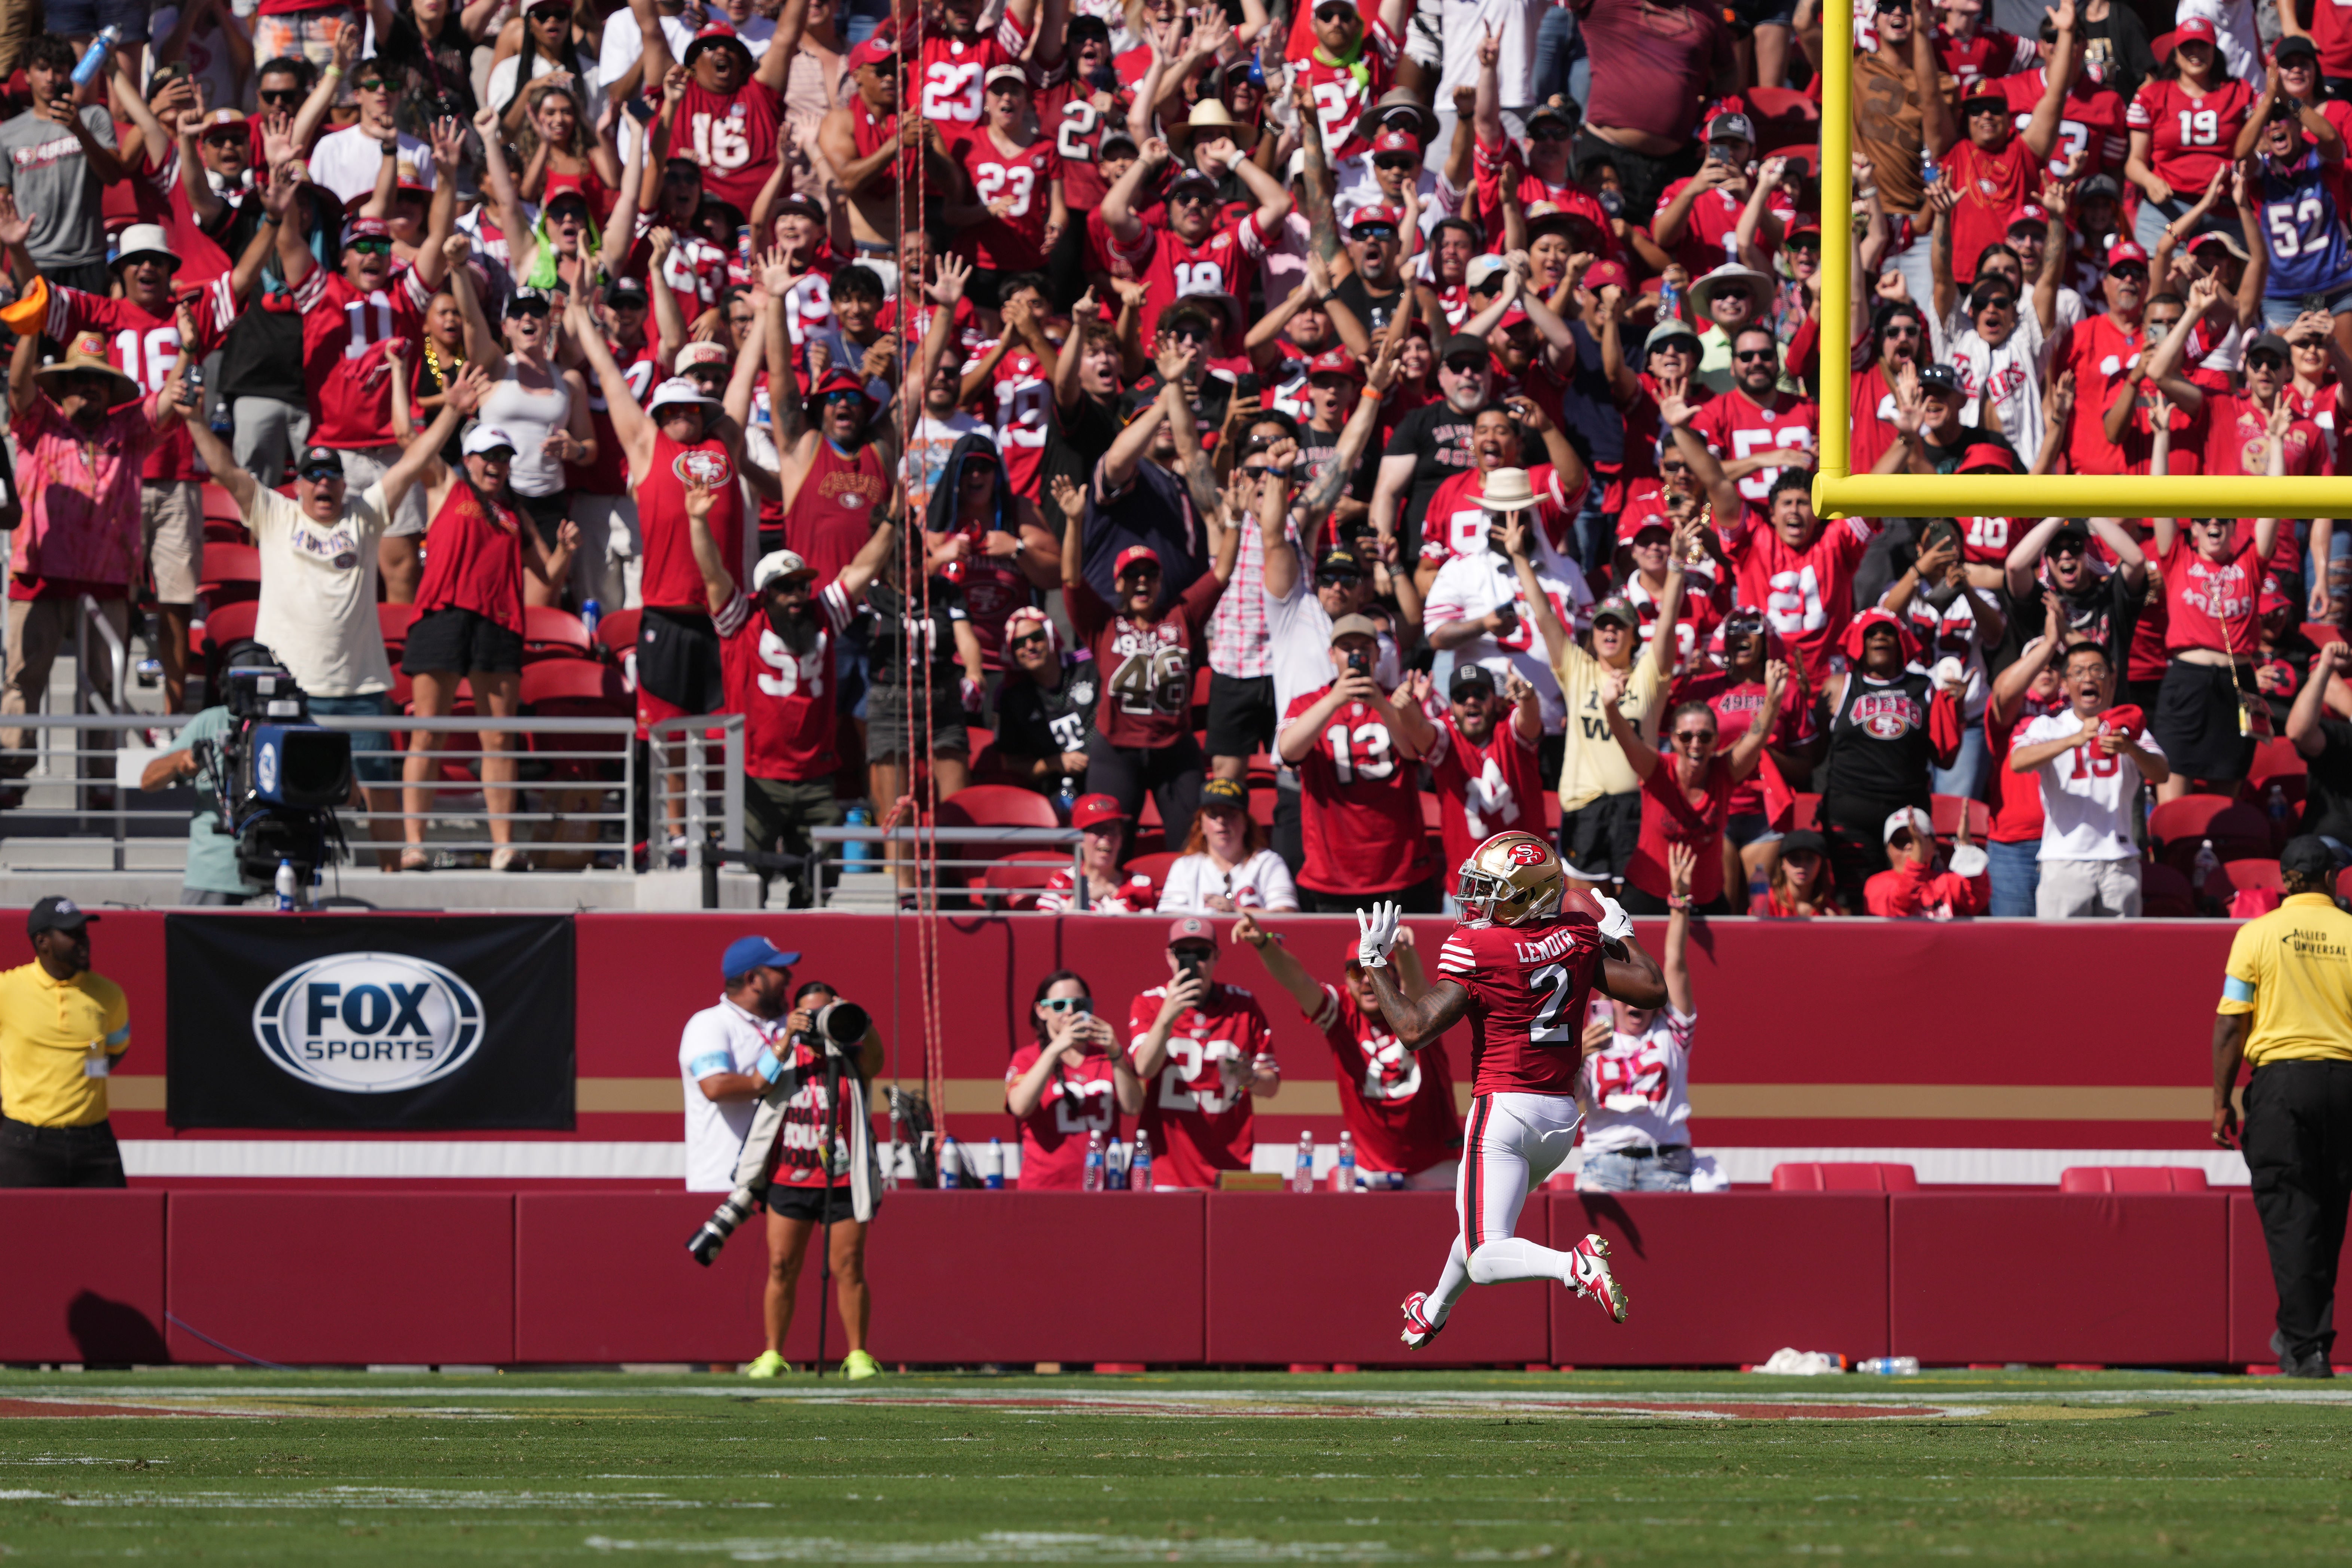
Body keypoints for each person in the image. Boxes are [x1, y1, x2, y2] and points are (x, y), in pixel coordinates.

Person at [1362, 831, 1662, 1346]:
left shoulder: (1478, 947)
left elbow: (1413, 1029)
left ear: (1526, 895)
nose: (1476, 900)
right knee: (1481, 1229)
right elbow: (1651, 988)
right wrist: (1624, 932)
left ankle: (1575, 1265)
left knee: (1485, 1254)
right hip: (1560, 1123)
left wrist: (1376, 963)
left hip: (1503, 1113)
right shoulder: (1576, 936)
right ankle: (1432, 1309)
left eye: (1491, 890)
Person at [393, 370, 579, 872]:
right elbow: (405, 437)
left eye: (503, 458)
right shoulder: (447, 485)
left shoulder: (514, 511)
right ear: (469, 458)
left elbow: (547, 575)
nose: (497, 465)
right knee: (428, 731)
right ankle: (414, 844)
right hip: (444, 616)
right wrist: (403, 377)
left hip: (498, 622)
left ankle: (504, 846)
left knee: (499, 736)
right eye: (488, 456)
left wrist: (564, 551)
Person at [678, 936, 884, 1381]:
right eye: (779, 971)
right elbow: (722, 1086)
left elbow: (874, 1062)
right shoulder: (719, 1027)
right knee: (773, 1269)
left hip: (833, 1173)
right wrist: (787, 1040)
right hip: (753, 1172)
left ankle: (855, 1353)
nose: (788, 979)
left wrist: (854, 1021)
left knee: (847, 1265)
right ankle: (765, 1354)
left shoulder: (825, 1048)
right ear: (753, 977)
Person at [683, 477, 893, 907]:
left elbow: (862, 569)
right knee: (749, 877)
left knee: (820, 875)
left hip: (815, 775)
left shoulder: (823, 615)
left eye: (802, 585)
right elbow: (713, 575)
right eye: (785, 587)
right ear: (765, 593)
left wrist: (892, 518)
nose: (797, 595)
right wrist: (697, 522)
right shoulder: (742, 620)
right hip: (759, 776)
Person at [3, 328, 189, 782]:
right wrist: (30, 329)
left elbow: (171, 401)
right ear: (62, 388)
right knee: (22, 685)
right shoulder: (37, 424)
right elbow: (17, 386)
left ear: (110, 390)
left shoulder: (128, 431)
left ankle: (102, 784)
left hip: (107, 581)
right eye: (80, 378)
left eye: (99, 380)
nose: (89, 386)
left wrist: (188, 349)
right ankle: (10, 776)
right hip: (39, 576)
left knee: (105, 687)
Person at [1055, 404, 1237, 846]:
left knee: (1193, 849)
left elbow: (1222, 573)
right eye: (1133, 576)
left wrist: (1234, 519)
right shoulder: (1102, 623)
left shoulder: (1182, 613)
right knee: (1104, 846)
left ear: (1160, 581)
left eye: (1150, 575)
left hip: (1175, 751)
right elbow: (1071, 579)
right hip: (1116, 749)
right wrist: (1075, 521)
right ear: (1118, 583)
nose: (1142, 582)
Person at [2214, 835, 2352, 1378]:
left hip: (2280, 1085)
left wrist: (2220, 1101)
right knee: (2330, 1214)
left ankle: (2306, 1343)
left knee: (2292, 1216)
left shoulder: (2256, 934)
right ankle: (2304, 1337)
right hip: (2346, 1081)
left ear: (2285, 879)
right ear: (2330, 878)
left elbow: (2230, 1021)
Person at [1235, 910, 1463, 1191]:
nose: (1367, 979)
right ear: (1347, 979)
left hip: (1436, 1162)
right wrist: (1264, 944)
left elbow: (1416, 986)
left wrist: (1404, 951)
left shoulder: (1413, 1007)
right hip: (1369, 1164)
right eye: (1358, 971)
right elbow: (1297, 981)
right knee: (1339, 1191)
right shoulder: (1342, 1012)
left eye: (1377, 969)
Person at [1599, 656, 1788, 915]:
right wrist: (1610, 707)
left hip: (1705, 900)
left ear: (1715, 741)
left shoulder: (1723, 772)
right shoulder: (1657, 769)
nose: (1695, 744)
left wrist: (1773, 700)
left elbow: (1755, 740)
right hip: (1648, 895)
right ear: (1674, 740)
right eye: (1686, 736)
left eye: (1705, 736)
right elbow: (1627, 739)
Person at [1279, 614, 1441, 912]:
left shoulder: (1399, 702)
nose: (1356, 655)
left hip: (1401, 868)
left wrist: (1382, 704)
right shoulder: (1306, 704)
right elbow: (1288, 752)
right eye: (1346, 648)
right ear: (1331, 654)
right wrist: (1334, 700)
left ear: (1378, 654)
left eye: (1364, 647)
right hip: (1333, 873)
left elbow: (1414, 752)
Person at [2008, 641, 2170, 917]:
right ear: (2065, 683)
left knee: (2120, 956)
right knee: (2060, 954)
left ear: (2112, 677)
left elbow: (2161, 773)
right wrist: (2075, 739)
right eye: (2079, 672)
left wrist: (2130, 748)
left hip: (2119, 860)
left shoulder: (2130, 727)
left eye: (2097, 670)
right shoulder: (2049, 725)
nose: (2089, 678)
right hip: (2064, 860)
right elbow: (2018, 761)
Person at [1577, 842, 1697, 1192]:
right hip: (1603, 1164)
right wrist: (1576, 1055)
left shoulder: (1672, 1034)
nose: (1637, 1005)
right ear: (1610, 999)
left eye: (1646, 997)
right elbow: (1569, 1099)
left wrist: (1679, 901)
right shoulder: (1592, 1036)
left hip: (1666, 1161)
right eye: (1629, 996)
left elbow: (1675, 964)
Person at [1127, 915, 1278, 1190]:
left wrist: (1252, 1079)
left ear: (1216, 956)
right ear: (1169, 957)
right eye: (1183, 953)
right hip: (1165, 1168)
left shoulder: (1242, 1005)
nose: (1193, 962)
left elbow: (1271, 1087)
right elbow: (1144, 1068)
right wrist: (1167, 1016)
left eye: (1202, 953)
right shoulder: (1149, 1003)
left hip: (1230, 1164)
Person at [0, 898, 131, 1188]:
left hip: (95, 1144)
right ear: (43, 942)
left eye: (84, 932)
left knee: (116, 1231)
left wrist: (83, 1080)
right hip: (25, 1145)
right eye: (72, 934)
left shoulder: (109, 994)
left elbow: (116, 1049)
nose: (84, 941)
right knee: (21, 1234)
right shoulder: (6, 990)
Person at [1006, 970, 1145, 1189]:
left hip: (1102, 1187)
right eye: (1060, 1005)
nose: (1070, 1011)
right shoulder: (1027, 1058)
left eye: (1080, 1004)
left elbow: (1134, 1107)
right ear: (1042, 1011)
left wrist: (1116, 1052)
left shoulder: (1106, 1056)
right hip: (1044, 1189)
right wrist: (1055, 1050)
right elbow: (1020, 1107)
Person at [1425, 663, 1546, 900]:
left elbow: (1530, 724)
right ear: (1451, 705)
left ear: (1496, 699)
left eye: (1480, 694)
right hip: (1468, 892)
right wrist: (1406, 708)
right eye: (1461, 696)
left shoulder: (1508, 725)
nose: (1471, 701)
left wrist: (1528, 695)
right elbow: (1420, 734)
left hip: (1530, 887)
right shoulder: (1447, 733)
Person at [1157, 778, 1299, 913]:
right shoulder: (1185, 867)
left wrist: (1235, 912)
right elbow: (1169, 920)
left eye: (1230, 814)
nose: (1221, 820)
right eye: (1213, 814)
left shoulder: (1268, 862)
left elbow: (1287, 916)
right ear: (1202, 825)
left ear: (1246, 823)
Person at [1037, 793, 1160, 913]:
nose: (1107, 837)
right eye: (1098, 830)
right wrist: (1083, 899)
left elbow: (1150, 932)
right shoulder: (1063, 882)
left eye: (1113, 830)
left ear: (1121, 839)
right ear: (1079, 839)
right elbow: (1045, 930)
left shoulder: (1140, 884)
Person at [1864, 804, 1992, 918]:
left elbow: (1976, 901)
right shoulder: (1877, 885)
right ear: (1888, 849)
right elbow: (1904, 908)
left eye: (1916, 838)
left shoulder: (1947, 881)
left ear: (1933, 845)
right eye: (1900, 841)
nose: (1910, 846)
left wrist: (1967, 846)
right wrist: (1917, 857)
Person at [1749, 826, 1843, 917]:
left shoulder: (1830, 909)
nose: (1803, 865)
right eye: (1795, 858)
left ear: (1821, 864)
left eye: (1810, 858)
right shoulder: (1767, 902)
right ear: (1783, 863)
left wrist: (1833, 929)